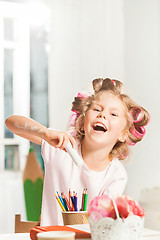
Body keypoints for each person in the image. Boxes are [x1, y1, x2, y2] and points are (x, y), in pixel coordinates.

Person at [5, 78, 150, 226]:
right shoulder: (61, 146)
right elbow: (11, 122)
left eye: (113, 114)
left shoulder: (116, 175)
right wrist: (45, 133)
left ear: (123, 134)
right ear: (82, 122)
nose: (103, 115)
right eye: (97, 109)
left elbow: (104, 223)